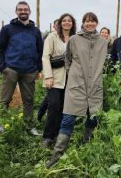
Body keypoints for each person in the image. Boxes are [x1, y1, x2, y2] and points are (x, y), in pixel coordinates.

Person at [46, 12, 108, 168]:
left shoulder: (103, 42)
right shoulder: (74, 40)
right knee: (68, 119)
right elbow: (67, 60)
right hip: (76, 85)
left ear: (96, 23)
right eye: (87, 21)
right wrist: (74, 74)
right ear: (82, 23)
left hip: (95, 85)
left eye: (93, 21)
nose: (90, 24)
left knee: (93, 117)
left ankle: (86, 146)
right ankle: (57, 154)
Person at [0, 1, 43, 136]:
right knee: (5, 100)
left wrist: (38, 68)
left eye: (25, 9)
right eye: (20, 10)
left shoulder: (36, 31)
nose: (23, 12)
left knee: (29, 101)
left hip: (29, 71)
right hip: (11, 69)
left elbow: (40, 52)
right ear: (16, 12)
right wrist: (3, 67)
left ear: (30, 12)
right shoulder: (8, 29)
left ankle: (29, 127)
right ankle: (0, 126)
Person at [41, 13, 76, 147]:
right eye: (64, 20)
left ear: (72, 24)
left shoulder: (74, 38)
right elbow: (45, 57)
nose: (67, 23)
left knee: (64, 106)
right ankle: (48, 136)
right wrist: (48, 76)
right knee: (54, 105)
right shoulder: (52, 37)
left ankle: (59, 134)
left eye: (69, 21)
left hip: (70, 77)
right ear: (60, 23)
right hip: (55, 77)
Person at [38, 19, 60, 122]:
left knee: (52, 99)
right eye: (57, 25)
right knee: (51, 99)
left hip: (62, 74)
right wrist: (46, 73)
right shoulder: (49, 37)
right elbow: (45, 56)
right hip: (51, 71)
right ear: (54, 27)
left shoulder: (66, 38)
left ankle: (46, 118)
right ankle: (41, 114)